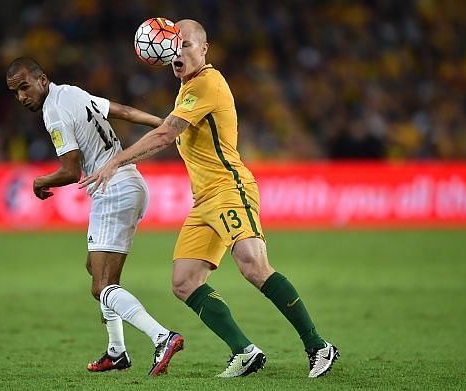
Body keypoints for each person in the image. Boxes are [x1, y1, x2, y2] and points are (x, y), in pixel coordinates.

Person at [79, 20, 340, 378]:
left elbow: (166, 134)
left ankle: (319, 346)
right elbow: (170, 125)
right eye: (173, 44)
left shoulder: (207, 83)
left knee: (253, 264)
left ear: (204, 49)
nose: (177, 50)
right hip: (204, 201)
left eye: (185, 44)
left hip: (230, 188)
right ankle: (244, 351)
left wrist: (116, 160)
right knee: (184, 282)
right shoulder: (187, 88)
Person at [5, 57, 183, 376]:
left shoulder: (54, 112)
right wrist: (165, 124)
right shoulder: (73, 92)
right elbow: (124, 112)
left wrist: (39, 181)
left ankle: (162, 337)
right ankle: (117, 353)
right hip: (129, 182)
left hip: (111, 190)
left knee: (102, 287)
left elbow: (71, 171)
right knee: (95, 269)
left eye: (24, 88)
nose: (21, 97)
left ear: (42, 80)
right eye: (15, 93)